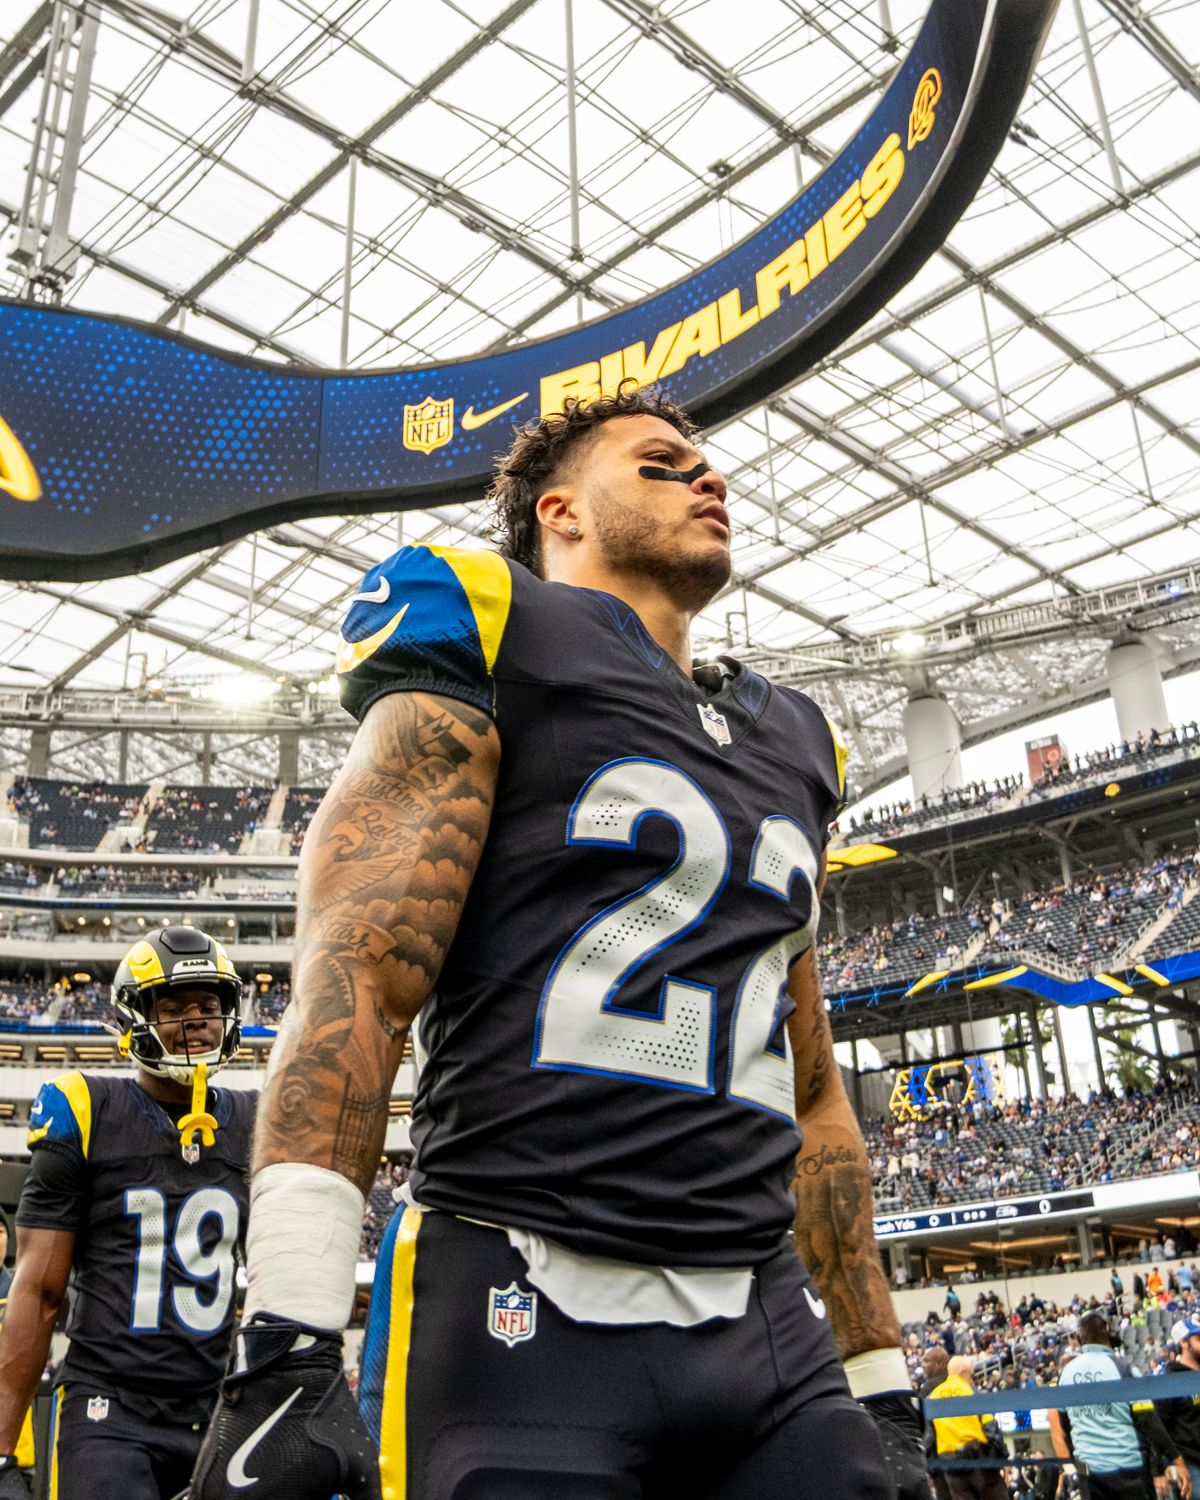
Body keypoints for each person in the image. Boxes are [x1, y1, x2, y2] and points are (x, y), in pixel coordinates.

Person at [192, 387, 929, 1499]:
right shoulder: (495, 622)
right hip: (521, 1289)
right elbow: (359, 969)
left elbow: (815, 1090)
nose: (707, 477)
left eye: (708, 465)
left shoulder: (797, 742)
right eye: (661, 463)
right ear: (560, 513)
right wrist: (290, 1331)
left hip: (766, 1323)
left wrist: (880, 1377)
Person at [0, 926, 253, 1499]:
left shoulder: (257, 1122)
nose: (195, 1020)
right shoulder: (87, 1110)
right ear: (136, 1018)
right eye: (174, 1007)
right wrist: (1, 1447)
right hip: (108, 1411)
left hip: (217, 1409)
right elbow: (39, 1292)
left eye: (208, 1006)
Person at [1049, 1311, 1186, 1500]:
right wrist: (1176, 1459)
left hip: (1089, 1476)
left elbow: (1063, 1429)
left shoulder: (1065, 1375)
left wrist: (1078, 1466)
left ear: (1081, 1338)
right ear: (1107, 1334)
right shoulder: (1124, 1370)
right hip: (1129, 1472)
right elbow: (1149, 1421)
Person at [927, 1355, 1007, 1500]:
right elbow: (991, 1430)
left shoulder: (932, 1398)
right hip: (979, 1465)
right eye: (972, 1375)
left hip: (951, 1469)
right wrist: (1000, 1458)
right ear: (964, 1373)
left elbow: (929, 1440)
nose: (972, 1379)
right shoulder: (973, 1394)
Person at [1158, 1319, 1200, 1494]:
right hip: (1190, 1468)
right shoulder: (1170, 1381)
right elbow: (1160, 1427)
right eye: (1198, 1339)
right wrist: (1168, 1467)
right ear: (1184, 1343)